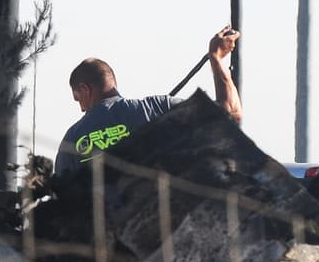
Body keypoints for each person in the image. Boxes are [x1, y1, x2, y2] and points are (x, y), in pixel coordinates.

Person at [53, 26, 243, 178]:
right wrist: (216, 57)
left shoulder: (73, 139)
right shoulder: (158, 108)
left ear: (86, 90)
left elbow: (60, 203)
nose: (81, 108)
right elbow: (229, 115)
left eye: (78, 99)